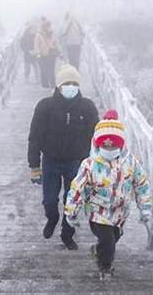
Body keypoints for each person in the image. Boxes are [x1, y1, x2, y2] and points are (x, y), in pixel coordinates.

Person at [64, 109, 152, 278]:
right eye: (105, 144)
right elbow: (77, 188)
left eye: (113, 145)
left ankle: (98, 250)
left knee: (114, 237)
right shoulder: (89, 165)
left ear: (121, 144)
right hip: (98, 211)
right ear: (97, 144)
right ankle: (105, 267)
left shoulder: (130, 163)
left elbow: (141, 184)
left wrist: (145, 208)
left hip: (120, 212)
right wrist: (71, 212)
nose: (109, 148)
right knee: (108, 241)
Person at [28, 64, 99, 250]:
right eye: (66, 83)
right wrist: (34, 166)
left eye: (74, 83)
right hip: (51, 160)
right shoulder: (45, 106)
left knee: (72, 201)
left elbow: (97, 136)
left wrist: (98, 165)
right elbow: (34, 136)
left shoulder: (87, 107)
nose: (70, 86)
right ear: (59, 85)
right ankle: (52, 218)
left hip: (77, 162)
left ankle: (67, 234)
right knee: (50, 199)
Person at [34, 20, 59, 88]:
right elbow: (36, 45)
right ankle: (45, 84)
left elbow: (56, 43)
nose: (48, 27)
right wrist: (38, 53)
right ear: (43, 27)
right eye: (46, 26)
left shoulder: (52, 34)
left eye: (49, 26)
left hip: (51, 54)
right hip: (43, 55)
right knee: (44, 70)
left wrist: (59, 51)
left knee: (51, 70)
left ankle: (53, 84)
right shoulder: (39, 35)